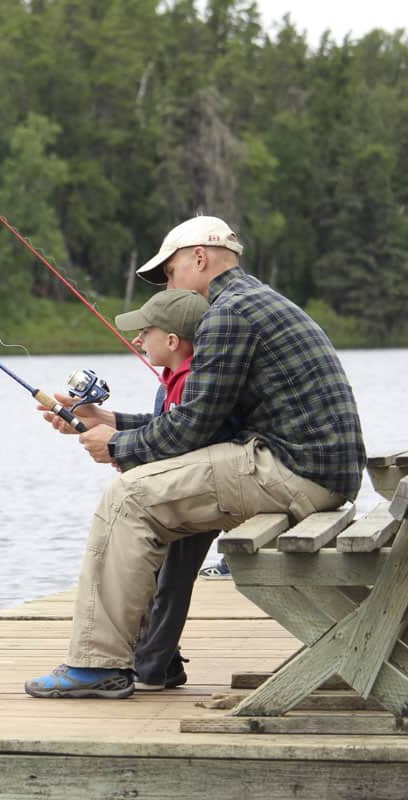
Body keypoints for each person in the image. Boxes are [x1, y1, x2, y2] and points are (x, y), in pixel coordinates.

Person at [24, 215, 365, 699]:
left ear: (198, 259)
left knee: (129, 495)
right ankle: (151, 658)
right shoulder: (255, 301)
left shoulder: (229, 314)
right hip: (313, 471)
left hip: (295, 472)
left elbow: (194, 427)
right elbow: (210, 422)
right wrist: (110, 421)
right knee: (158, 493)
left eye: (169, 273)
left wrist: (116, 448)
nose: (170, 286)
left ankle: (96, 664)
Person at [111, 288, 220, 692]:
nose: (138, 340)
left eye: (145, 332)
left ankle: (152, 669)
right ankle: (165, 661)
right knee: (155, 576)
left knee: (171, 581)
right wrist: (99, 421)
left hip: (200, 497)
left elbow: (181, 443)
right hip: (179, 493)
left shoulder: (194, 380)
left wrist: (116, 449)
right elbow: (158, 428)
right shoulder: (172, 379)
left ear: (173, 341)